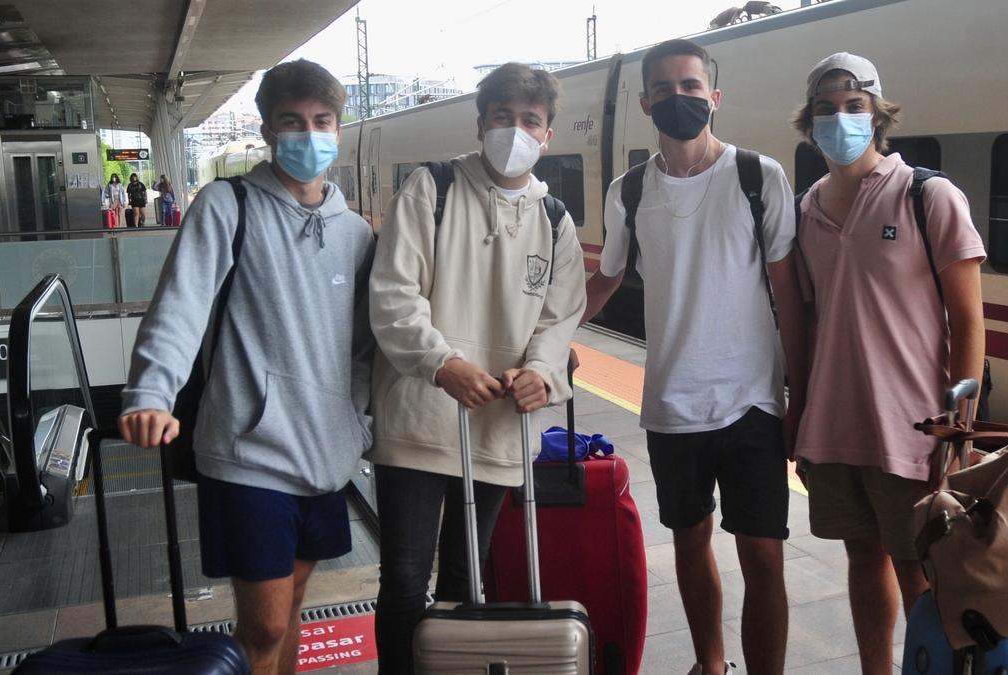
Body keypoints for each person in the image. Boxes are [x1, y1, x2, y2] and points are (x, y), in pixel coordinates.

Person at [118, 59, 375, 675]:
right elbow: (178, 308)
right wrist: (150, 393)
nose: (308, 135)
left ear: (339, 130)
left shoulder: (357, 233)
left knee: (291, 612)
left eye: (321, 121)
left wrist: (358, 424)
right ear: (267, 129)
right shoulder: (226, 207)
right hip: (249, 453)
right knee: (262, 624)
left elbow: (367, 346)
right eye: (292, 121)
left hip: (326, 454)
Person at [581, 38, 807, 675]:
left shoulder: (758, 177)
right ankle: (711, 665)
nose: (678, 99)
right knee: (690, 539)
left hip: (754, 402)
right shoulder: (630, 191)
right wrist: (543, 342)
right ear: (647, 100)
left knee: (764, 554)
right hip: (672, 403)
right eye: (665, 88)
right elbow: (605, 280)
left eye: (691, 86)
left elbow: (788, 293)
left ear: (714, 96)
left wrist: (802, 394)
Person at [368, 62, 586, 674]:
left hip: (497, 424)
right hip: (417, 417)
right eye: (502, 118)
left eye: (530, 121)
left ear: (548, 134)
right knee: (407, 577)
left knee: (469, 570)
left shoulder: (556, 220)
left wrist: (542, 372)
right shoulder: (430, 189)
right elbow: (393, 296)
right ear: (481, 121)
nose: (515, 131)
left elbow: (559, 316)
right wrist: (442, 364)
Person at [789, 53, 985, 675]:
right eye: (826, 109)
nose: (840, 119)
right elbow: (810, 319)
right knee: (860, 557)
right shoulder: (804, 211)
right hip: (836, 423)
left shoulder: (927, 195)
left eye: (854, 107)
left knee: (919, 568)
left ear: (878, 116)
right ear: (810, 122)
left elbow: (969, 321)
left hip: (915, 425)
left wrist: (962, 421)